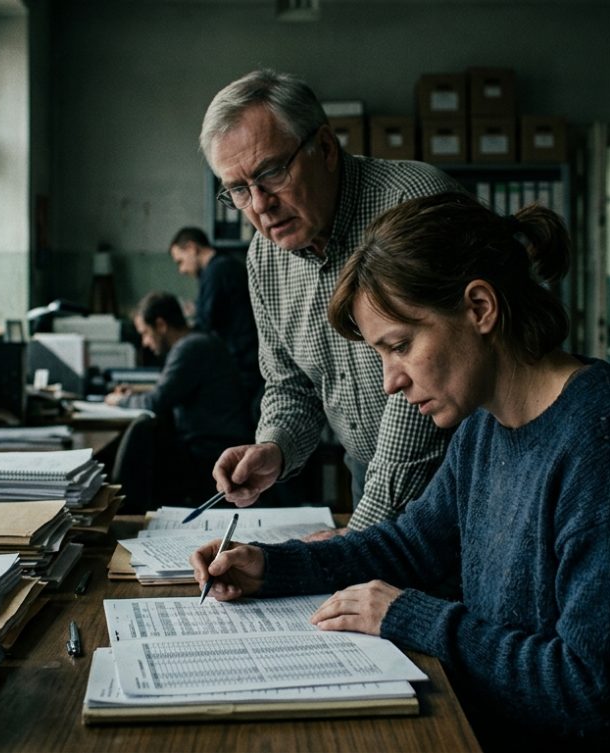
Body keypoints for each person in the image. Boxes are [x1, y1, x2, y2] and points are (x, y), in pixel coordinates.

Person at [190, 193, 610, 751]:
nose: (390, 382)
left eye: (401, 345)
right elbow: (409, 548)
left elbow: (593, 692)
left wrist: (410, 616)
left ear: (479, 308)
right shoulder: (484, 426)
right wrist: (271, 567)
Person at [200, 68, 462, 530]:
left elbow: (426, 384)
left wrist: (359, 538)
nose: (259, 205)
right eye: (239, 189)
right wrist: (274, 446)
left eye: (271, 173)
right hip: (371, 476)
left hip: (464, 475)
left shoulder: (411, 203)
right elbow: (290, 385)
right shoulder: (264, 257)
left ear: (324, 147)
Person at [106, 291, 253, 504]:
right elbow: (168, 388)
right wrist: (136, 393)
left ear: (160, 325)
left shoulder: (189, 347)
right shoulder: (200, 340)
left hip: (208, 451)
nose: (145, 342)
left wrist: (118, 401)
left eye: (145, 333)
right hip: (214, 444)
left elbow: (155, 402)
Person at [168, 227, 263, 423]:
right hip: (248, 360)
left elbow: (205, 323)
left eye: (180, 261)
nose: (181, 270)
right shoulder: (224, 266)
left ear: (192, 248)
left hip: (245, 364)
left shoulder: (217, 270)